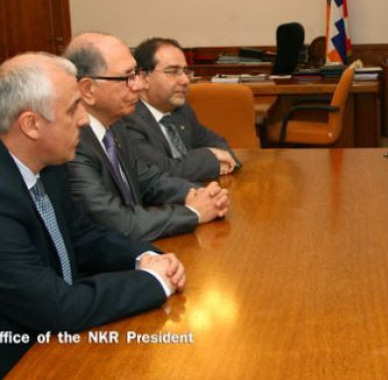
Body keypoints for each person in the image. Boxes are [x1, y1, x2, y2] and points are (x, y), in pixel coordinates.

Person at [0, 53, 185, 375]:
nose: (84, 120)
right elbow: (57, 308)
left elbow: (83, 235)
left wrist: (145, 257)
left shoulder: (49, 165)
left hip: (60, 341)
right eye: (73, 108)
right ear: (31, 124)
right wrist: (152, 282)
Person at [63, 32, 229, 241]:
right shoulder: (71, 144)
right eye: (127, 77)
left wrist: (199, 194)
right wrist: (194, 212)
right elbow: (120, 223)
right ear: (88, 89)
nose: (139, 85)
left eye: (136, 74)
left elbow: (148, 180)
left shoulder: (115, 125)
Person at [123, 37, 240, 181]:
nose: (185, 80)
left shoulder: (181, 109)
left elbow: (216, 142)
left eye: (185, 71)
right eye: (172, 71)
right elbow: (161, 172)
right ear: (143, 77)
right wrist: (211, 157)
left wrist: (222, 157)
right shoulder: (129, 118)